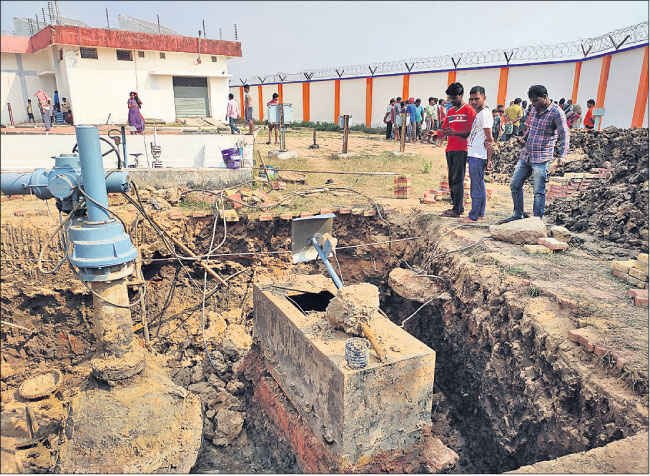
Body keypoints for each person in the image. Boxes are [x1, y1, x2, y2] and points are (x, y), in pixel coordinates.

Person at [499, 84, 569, 224]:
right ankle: (518, 215)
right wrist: (523, 138)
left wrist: (563, 155)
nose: (533, 104)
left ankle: (536, 222)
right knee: (515, 185)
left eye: (535, 101)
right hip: (527, 155)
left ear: (545, 97)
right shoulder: (534, 110)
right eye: (531, 101)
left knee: (538, 191)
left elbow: (565, 134)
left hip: (542, 157)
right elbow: (532, 128)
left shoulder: (557, 112)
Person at [437, 82, 476, 218]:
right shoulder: (450, 111)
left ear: (461, 95)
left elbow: (471, 132)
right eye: (449, 98)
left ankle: (457, 209)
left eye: (454, 98)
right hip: (450, 149)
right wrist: (436, 134)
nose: (451, 101)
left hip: (462, 149)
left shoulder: (469, 110)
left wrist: (455, 133)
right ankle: (456, 206)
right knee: (451, 179)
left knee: (457, 179)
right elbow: (444, 129)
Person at [459, 86, 494, 223]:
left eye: (477, 99)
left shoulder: (484, 114)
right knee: (479, 184)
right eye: (471, 99)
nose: (473, 102)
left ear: (484, 98)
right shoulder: (479, 114)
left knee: (476, 186)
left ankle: (473, 216)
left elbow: (489, 139)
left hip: (478, 155)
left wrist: (489, 159)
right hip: (475, 153)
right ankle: (480, 213)